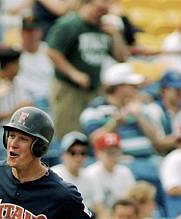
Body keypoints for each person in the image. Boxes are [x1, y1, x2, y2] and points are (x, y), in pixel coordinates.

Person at [46, 0, 127, 138]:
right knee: (71, 135)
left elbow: (122, 57)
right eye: (98, 9)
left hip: (94, 90)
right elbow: (52, 52)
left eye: (104, 11)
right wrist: (74, 73)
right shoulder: (70, 24)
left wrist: (115, 35)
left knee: (93, 133)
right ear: (86, 4)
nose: (101, 14)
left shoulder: (103, 28)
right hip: (69, 90)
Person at [80, 62, 160, 157]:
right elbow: (94, 140)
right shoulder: (95, 109)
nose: (136, 89)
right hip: (119, 163)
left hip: (148, 160)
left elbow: (156, 140)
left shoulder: (137, 106)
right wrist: (115, 124)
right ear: (118, 87)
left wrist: (139, 116)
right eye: (132, 86)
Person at [144, 71, 181, 154]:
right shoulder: (154, 110)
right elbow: (159, 144)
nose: (180, 93)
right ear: (163, 91)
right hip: (164, 156)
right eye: (176, 90)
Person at [82, 132, 135, 219]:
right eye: (108, 152)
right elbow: (99, 208)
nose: (113, 156)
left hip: (121, 218)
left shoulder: (125, 172)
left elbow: (131, 202)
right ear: (98, 154)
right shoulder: (91, 173)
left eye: (115, 152)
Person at [16, 16, 54, 103]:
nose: (31, 35)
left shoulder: (50, 52)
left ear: (40, 32)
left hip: (46, 100)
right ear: (21, 33)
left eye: (34, 31)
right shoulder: (14, 53)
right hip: (22, 102)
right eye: (27, 31)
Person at [51, 131, 93, 209]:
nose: (79, 157)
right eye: (73, 152)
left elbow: (98, 208)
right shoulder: (53, 176)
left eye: (82, 153)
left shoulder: (89, 177)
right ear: (63, 155)